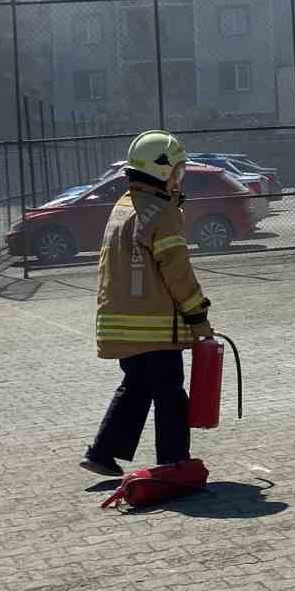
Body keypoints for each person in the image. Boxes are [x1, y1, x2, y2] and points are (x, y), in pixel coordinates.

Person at [82, 130, 214, 479]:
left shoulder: (124, 205)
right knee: (169, 392)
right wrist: (198, 316)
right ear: (162, 170)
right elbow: (177, 272)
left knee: (136, 386)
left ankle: (102, 452)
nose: (179, 178)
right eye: (178, 171)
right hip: (155, 326)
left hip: (123, 324)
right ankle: (173, 461)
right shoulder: (163, 212)